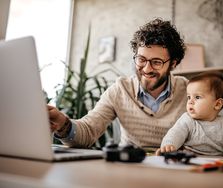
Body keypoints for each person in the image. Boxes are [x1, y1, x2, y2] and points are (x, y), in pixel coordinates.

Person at [48, 18, 188, 149]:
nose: (146, 68)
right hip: (131, 166)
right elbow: (89, 130)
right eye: (141, 59)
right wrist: (62, 124)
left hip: (175, 167)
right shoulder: (120, 89)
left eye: (156, 62)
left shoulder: (189, 92)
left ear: (173, 63)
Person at [156, 72, 223, 157]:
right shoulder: (188, 120)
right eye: (189, 97)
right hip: (191, 159)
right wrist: (169, 145)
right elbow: (175, 133)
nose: (190, 101)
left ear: (217, 104)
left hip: (218, 163)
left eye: (197, 97)